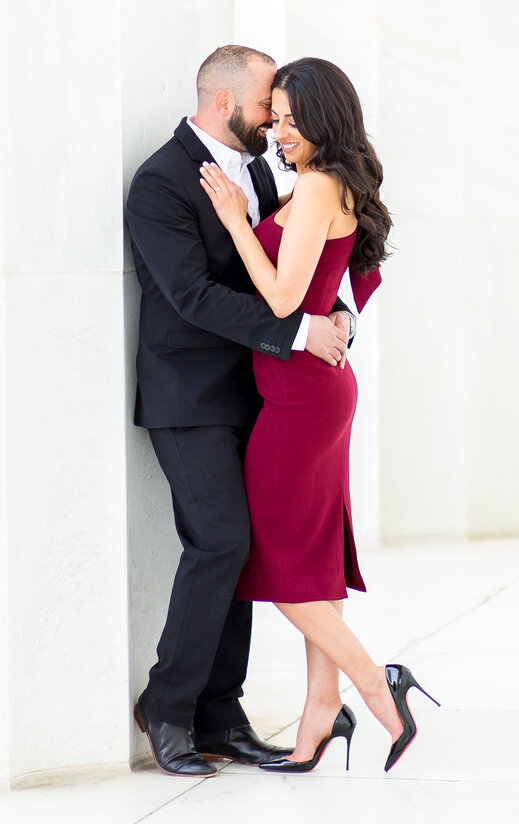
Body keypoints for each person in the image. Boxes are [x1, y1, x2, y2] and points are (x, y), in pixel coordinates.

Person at [199, 56, 439, 775]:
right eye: (274, 114)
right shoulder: (324, 184)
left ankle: (377, 685)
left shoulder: (318, 186)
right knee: (311, 558)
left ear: (324, 121)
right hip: (310, 387)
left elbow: (279, 298)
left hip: (302, 394)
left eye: (294, 119)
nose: (279, 129)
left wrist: (239, 225)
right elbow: (357, 274)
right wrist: (337, 313)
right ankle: (317, 717)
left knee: (277, 562)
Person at [126, 45, 353, 778]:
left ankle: (221, 713)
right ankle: (167, 705)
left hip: (263, 394)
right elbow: (190, 296)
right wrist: (295, 329)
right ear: (226, 104)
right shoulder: (159, 183)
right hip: (187, 398)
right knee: (221, 540)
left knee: (247, 547)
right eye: (268, 108)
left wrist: (338, 312)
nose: (276, 122)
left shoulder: (263, 173)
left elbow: (300, 263)